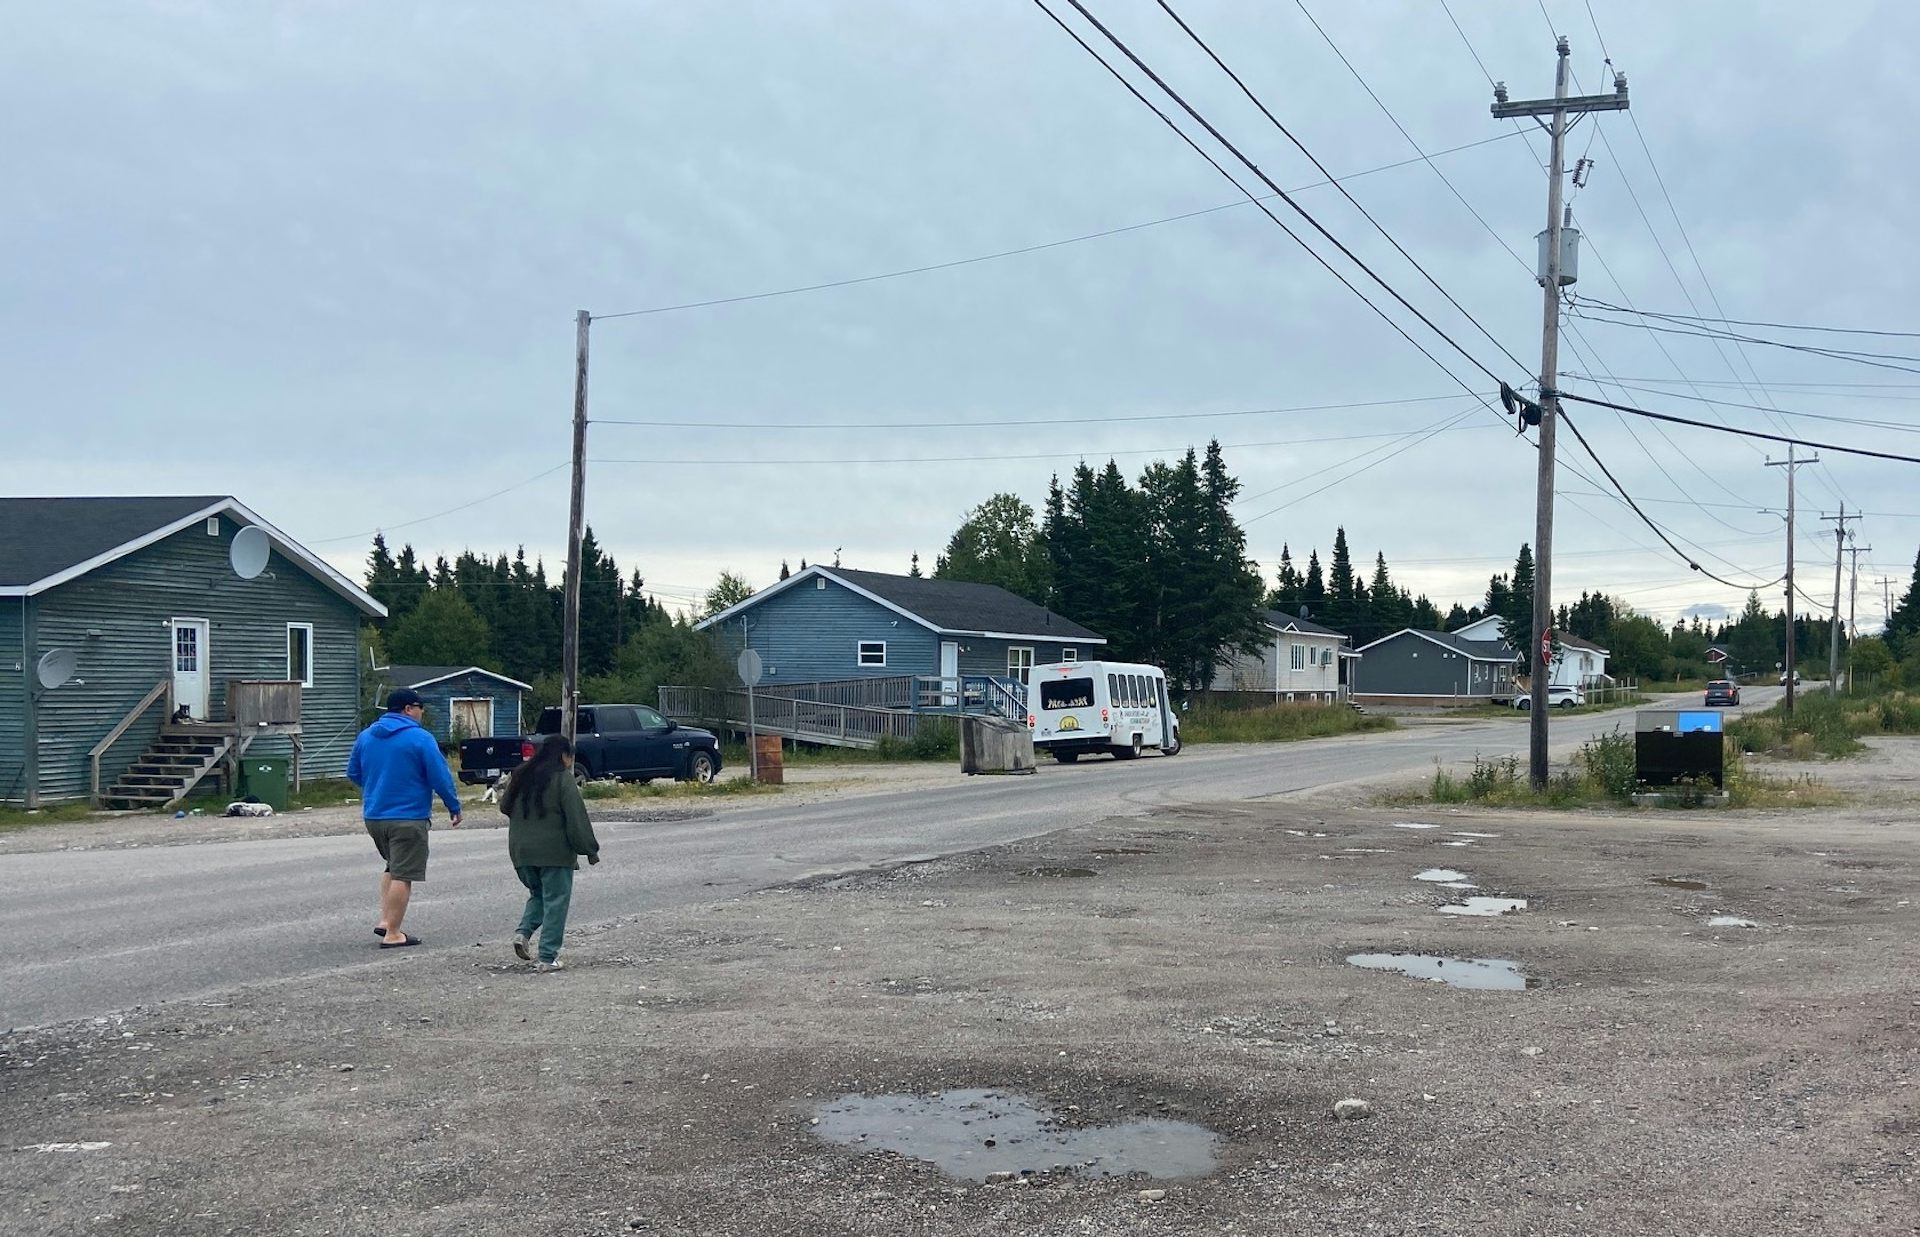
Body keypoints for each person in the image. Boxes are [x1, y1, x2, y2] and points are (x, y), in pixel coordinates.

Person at [346, 689, 463, 949]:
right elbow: (440, 776)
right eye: (420, 707)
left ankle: (386, 920)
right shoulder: (420, 738)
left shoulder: (366, 736)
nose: (422, 712)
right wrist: (453, 805)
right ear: (408, 709)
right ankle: (394, 933)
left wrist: (376, 787)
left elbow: (353, 772)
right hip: (408, 816)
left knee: (392, 865)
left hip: (375, 816)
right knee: (404, 873)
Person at [499, 734, 600, 971]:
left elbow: (505, 807)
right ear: (565, 756)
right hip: (554, 854)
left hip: (521, 852)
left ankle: (522, 933)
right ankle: (547, 956)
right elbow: (576, 819)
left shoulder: (521, 775)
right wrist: (589, 850)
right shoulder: (562, 779)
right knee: (556, 900)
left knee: (539, 895)